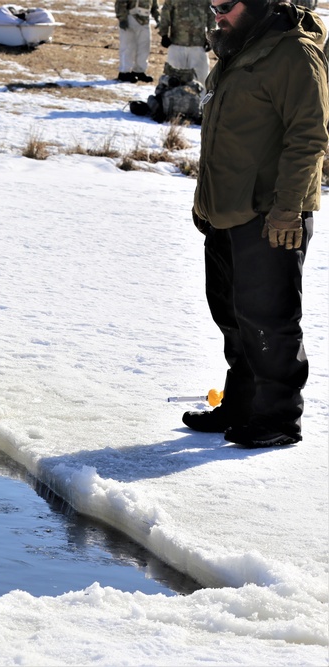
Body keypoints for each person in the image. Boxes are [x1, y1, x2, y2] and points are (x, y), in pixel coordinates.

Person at [184, 0, 328, 447]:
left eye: (226, 6)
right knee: (231, 314)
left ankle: (278, 420)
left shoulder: (293, 54)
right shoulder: (238, 47)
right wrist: (203, 204)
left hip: (271, 215)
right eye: (212, 6)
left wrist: (288, 209)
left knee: (269, 319)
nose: (217, 15)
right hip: (225, 210)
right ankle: (243, 405)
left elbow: (309, 136)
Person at [158, 0, 215, 84]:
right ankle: (173, 96)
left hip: (198, 46)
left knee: (202, 79)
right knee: (173, 78)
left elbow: (212, 17)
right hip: (177, 45)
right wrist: (164, 34)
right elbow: (165, 13)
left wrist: (211, 37)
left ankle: (202, 97)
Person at [116, 0, 161, 82]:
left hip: (145, 20)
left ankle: (139, 71)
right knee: (128, 47)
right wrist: (122, 18)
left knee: (144, 48)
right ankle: (124, 72)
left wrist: (158, 17)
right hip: (130, 18)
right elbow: (121, 2)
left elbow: (154, 6)